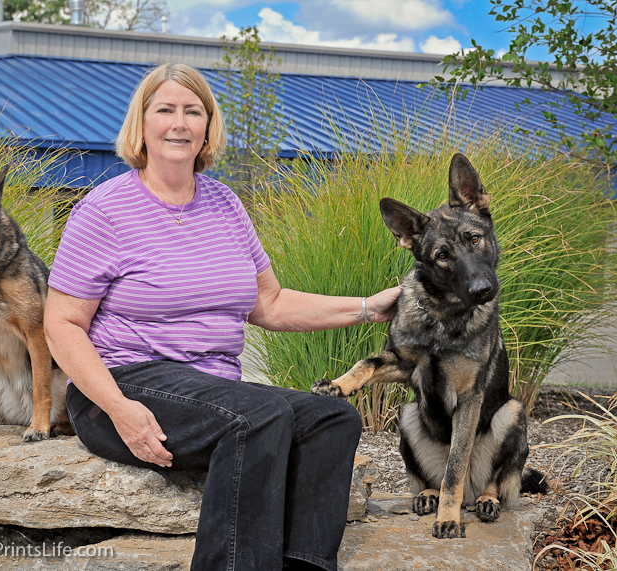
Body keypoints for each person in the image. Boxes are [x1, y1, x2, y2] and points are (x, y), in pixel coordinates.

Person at [43, 63, 400, 571]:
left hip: (211, 391)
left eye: (193, 111)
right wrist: (120, 409)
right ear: (140, 125)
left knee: (332, 418)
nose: (179, 123)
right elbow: (61, 323)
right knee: (259, 417)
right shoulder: (104, 211)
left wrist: (367, 308)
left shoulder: (225, 204)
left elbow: (269, 304)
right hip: (120, 387)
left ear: (208, 126)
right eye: (164, 110)